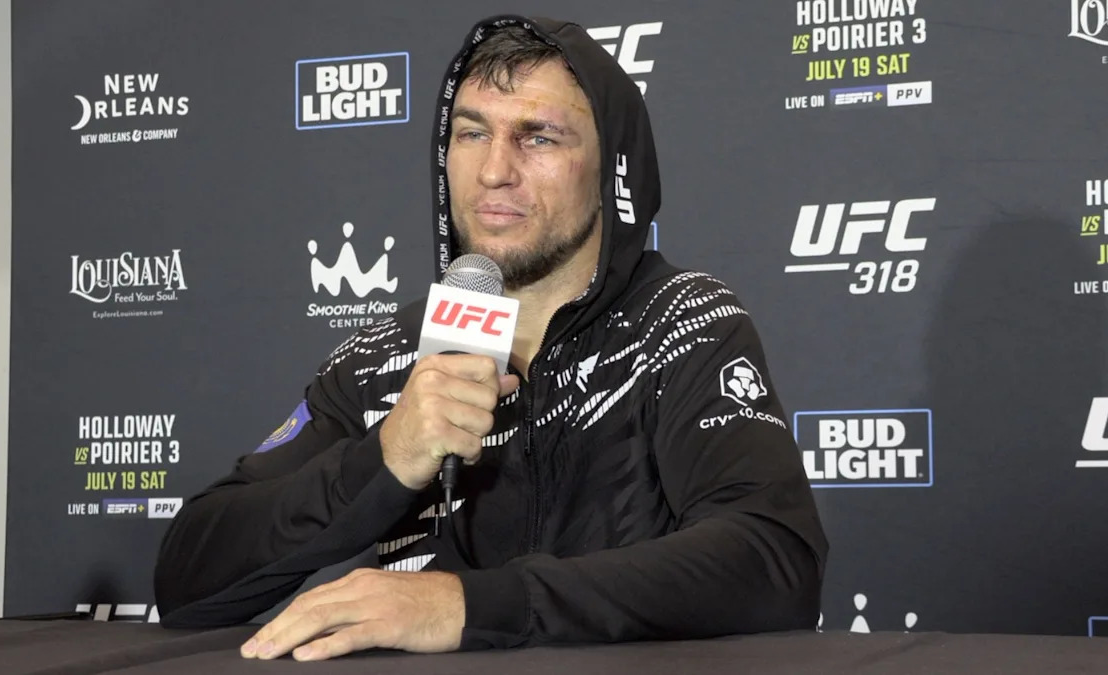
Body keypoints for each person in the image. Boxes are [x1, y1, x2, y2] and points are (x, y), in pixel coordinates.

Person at [153, 14, 828, 662]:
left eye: (539, 138)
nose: (494, 171)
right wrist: (384, 460)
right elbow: (188, 578)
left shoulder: (682, 324)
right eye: (473, 133)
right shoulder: (383, 356)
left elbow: (772, 558)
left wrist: (470, 605)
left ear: (611, 171)